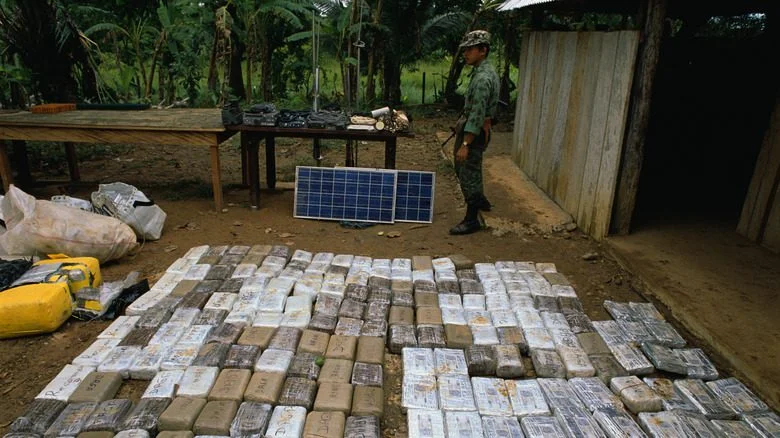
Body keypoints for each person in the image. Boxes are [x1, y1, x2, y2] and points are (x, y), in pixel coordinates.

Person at [450, 30, 499, 235]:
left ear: (483, 50)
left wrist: (465, 144)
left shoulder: (482, 79)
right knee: (471, 168)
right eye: (465, 50)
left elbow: (477, 115)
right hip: (476, 129)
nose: (466, 54)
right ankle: (480, 200)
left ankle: (471, 219)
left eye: (470, 50)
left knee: (467, 169)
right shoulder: (484, 71)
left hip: (474, 132)